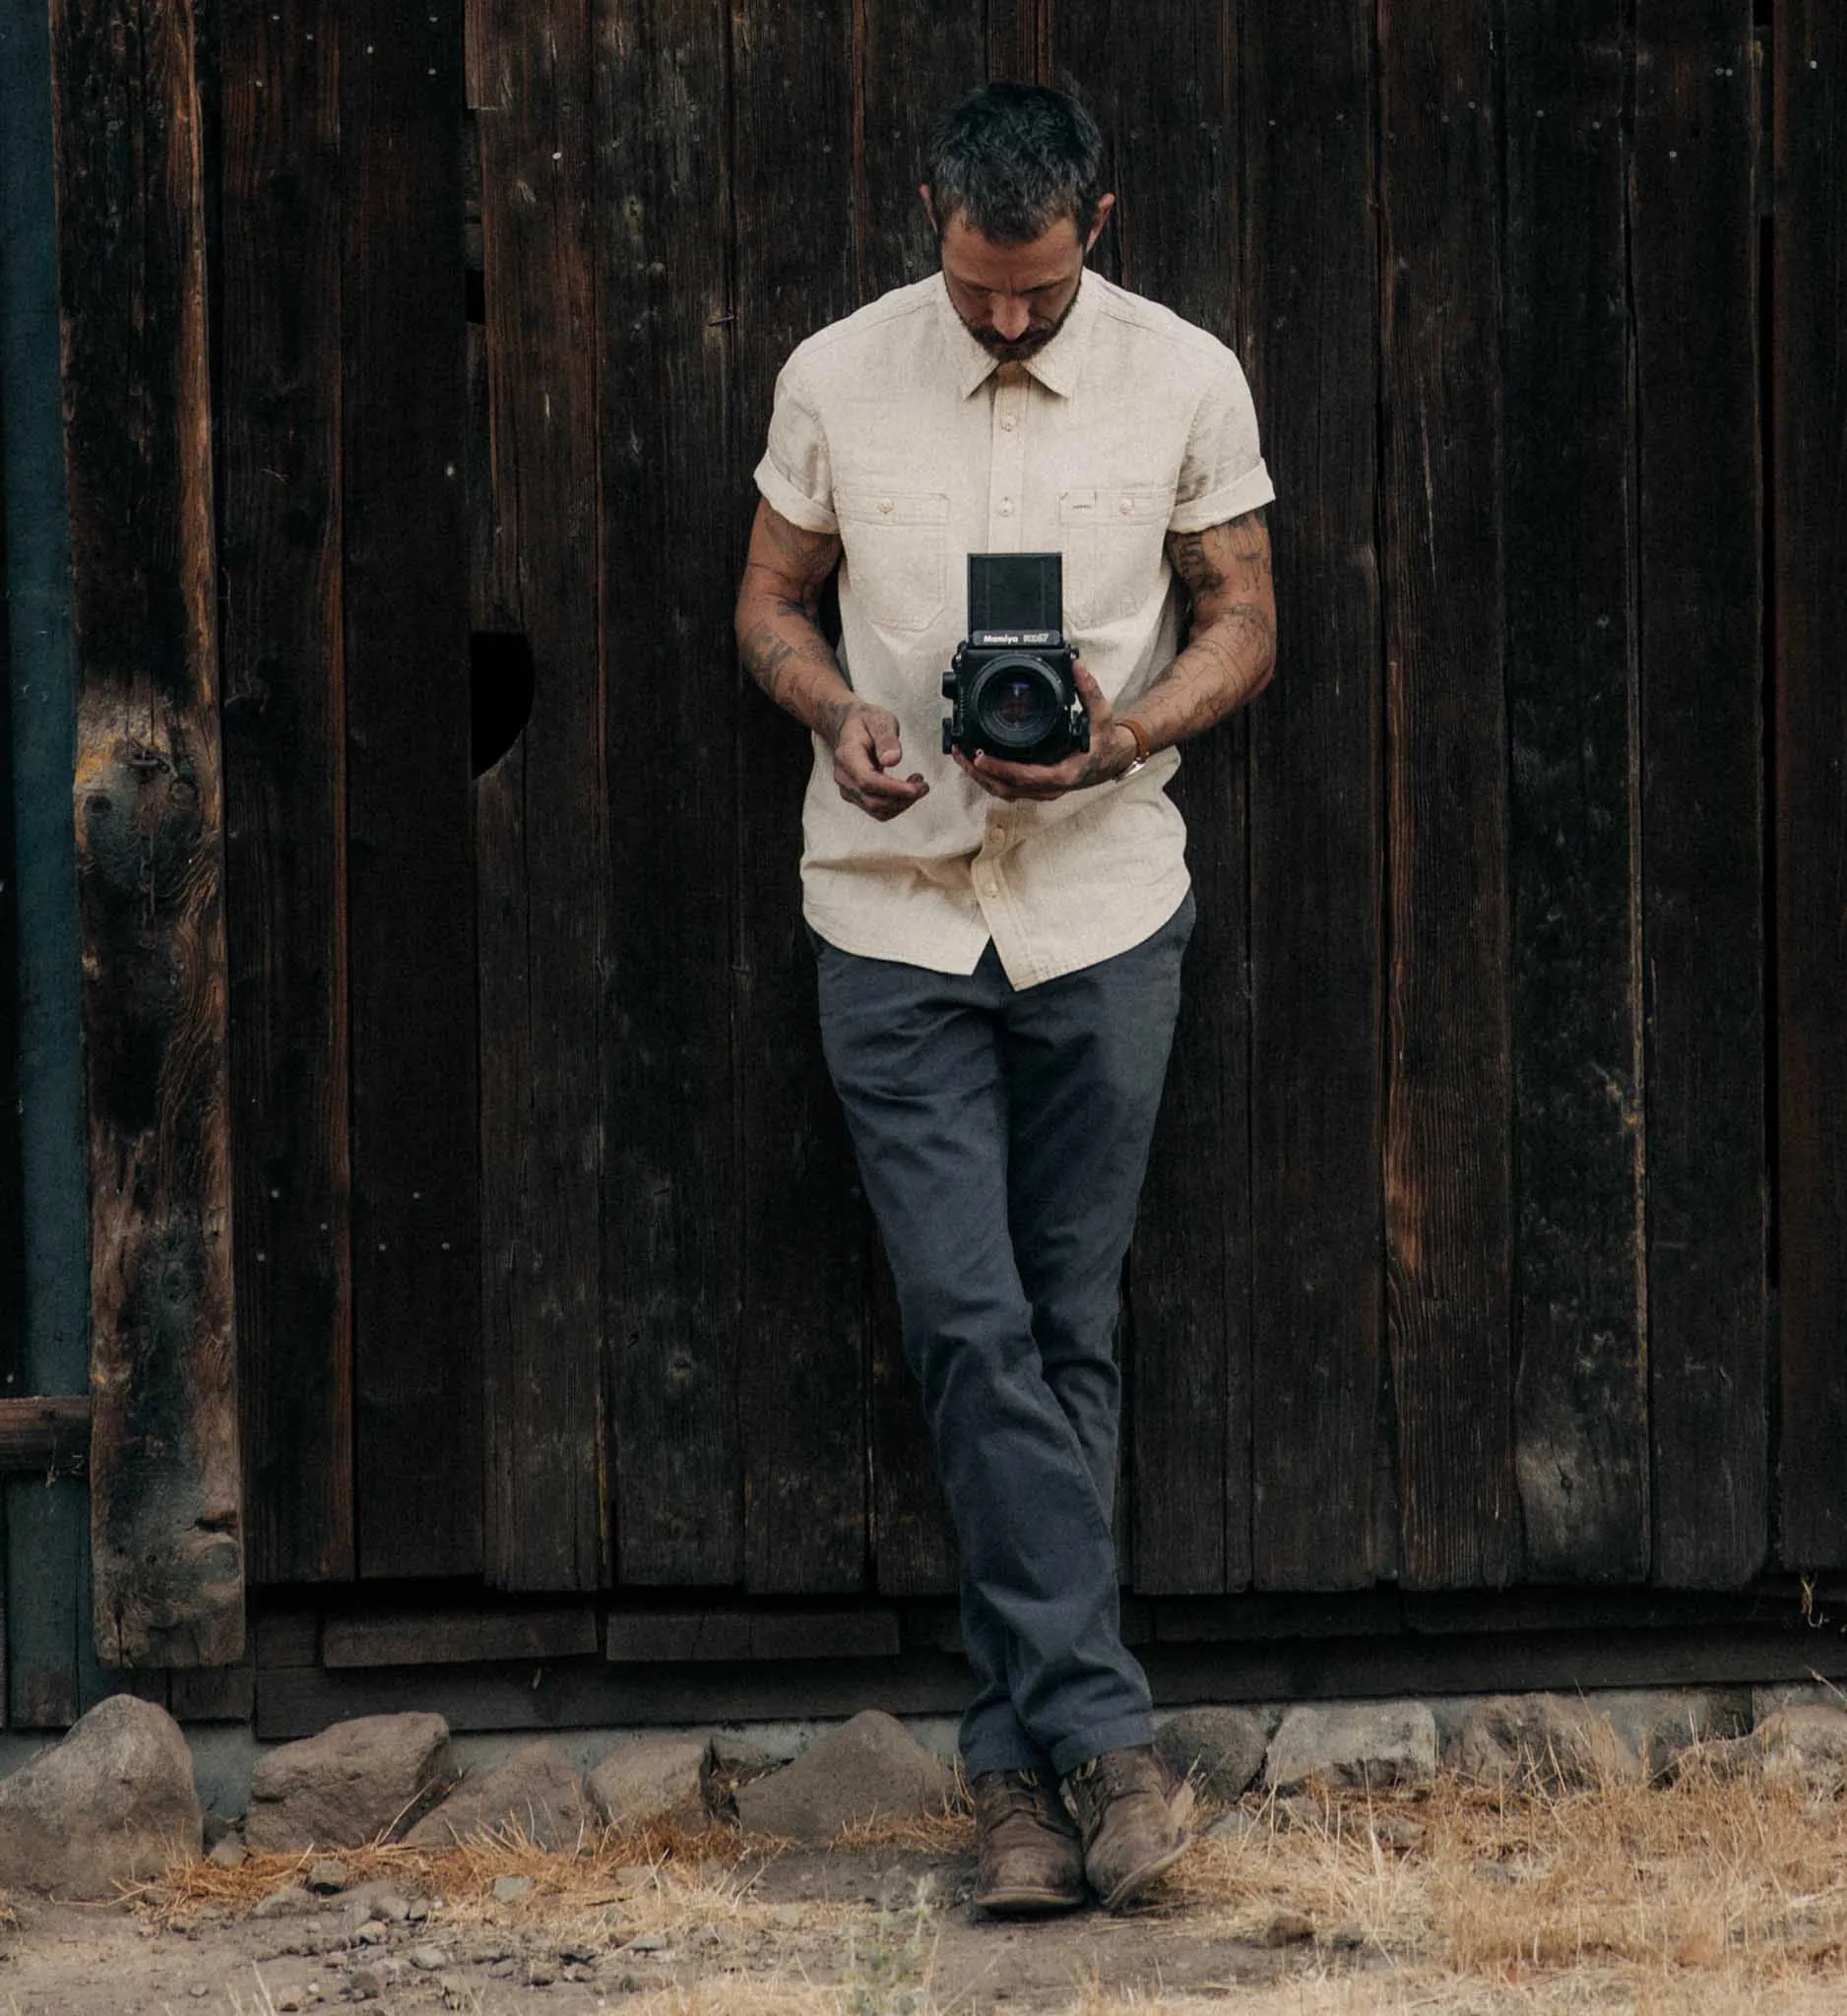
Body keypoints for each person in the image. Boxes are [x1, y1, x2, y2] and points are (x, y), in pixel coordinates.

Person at [732, 81, 1276, 1915]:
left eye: (1038, 291)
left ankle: (1012, 1785)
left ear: (1095, 222)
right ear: (931, 221)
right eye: (979, 291)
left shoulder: (1188, 375)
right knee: (971, 1322)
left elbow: (1245, 621)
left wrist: (1119, 734)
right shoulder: (833, 371)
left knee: (1067, 1329)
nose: (1010, 321)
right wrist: (836, 713)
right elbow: (769, 603)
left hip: (1103, 907)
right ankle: (1111, 1744)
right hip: (889, 918)